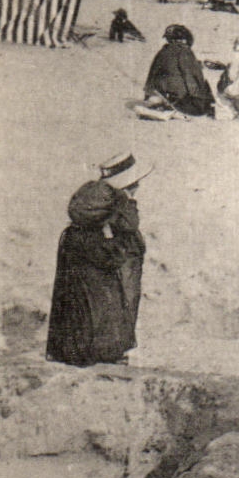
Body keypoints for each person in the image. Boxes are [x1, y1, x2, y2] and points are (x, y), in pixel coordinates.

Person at [46, 181, 139, 367]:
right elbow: (112, 256)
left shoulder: (72, 234)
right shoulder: (93, 237)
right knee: (99, 317)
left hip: (76, 304)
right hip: (94, 306)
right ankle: (101, 354)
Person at [95, 153, 150, 354]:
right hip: (125, 254)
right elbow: (130, 225)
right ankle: (118, 347)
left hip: (111, 252)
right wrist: (132, 203)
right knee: (127, 298)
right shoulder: (122, 200)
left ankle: (110, 345)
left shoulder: (105, 198)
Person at [138, 25, 215, 119]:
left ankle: (159, 105)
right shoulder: (184, 52)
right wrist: (200, 99)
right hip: (178, 100)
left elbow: (151, 76)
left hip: (158, 93)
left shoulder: (162, 52)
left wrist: (148, 95)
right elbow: (191, 78)